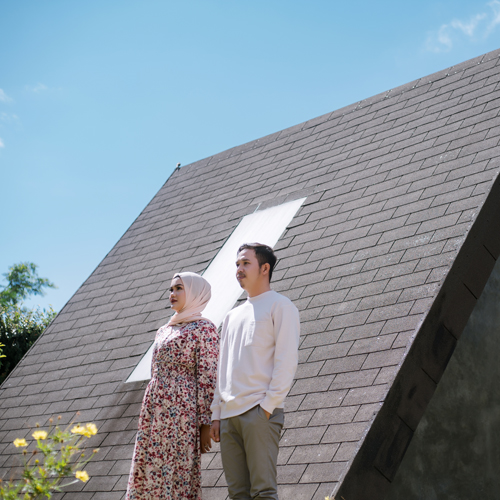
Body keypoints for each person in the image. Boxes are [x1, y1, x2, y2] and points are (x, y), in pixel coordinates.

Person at [210, 243, 300, 500]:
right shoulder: (231, 316)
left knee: (263, 493)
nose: (239, 269)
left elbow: (286, 360)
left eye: (246, 263)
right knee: (237, 494)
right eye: (237, 264)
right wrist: (216, 414)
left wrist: (268, 406)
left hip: (259, 412)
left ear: (265, 268)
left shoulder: (281, 306)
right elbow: (222, 368)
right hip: (229, 417)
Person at [126, 272, 219, 500]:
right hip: (154, 411)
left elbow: (208, 376)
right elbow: (154, 371)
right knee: (149, 466)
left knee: (176, 469)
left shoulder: (204, 329)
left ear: (195, 293)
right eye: (171, 289)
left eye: (179, 288)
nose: (172, 294)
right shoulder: (163, 330)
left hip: (181, 414)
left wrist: (205, 423)